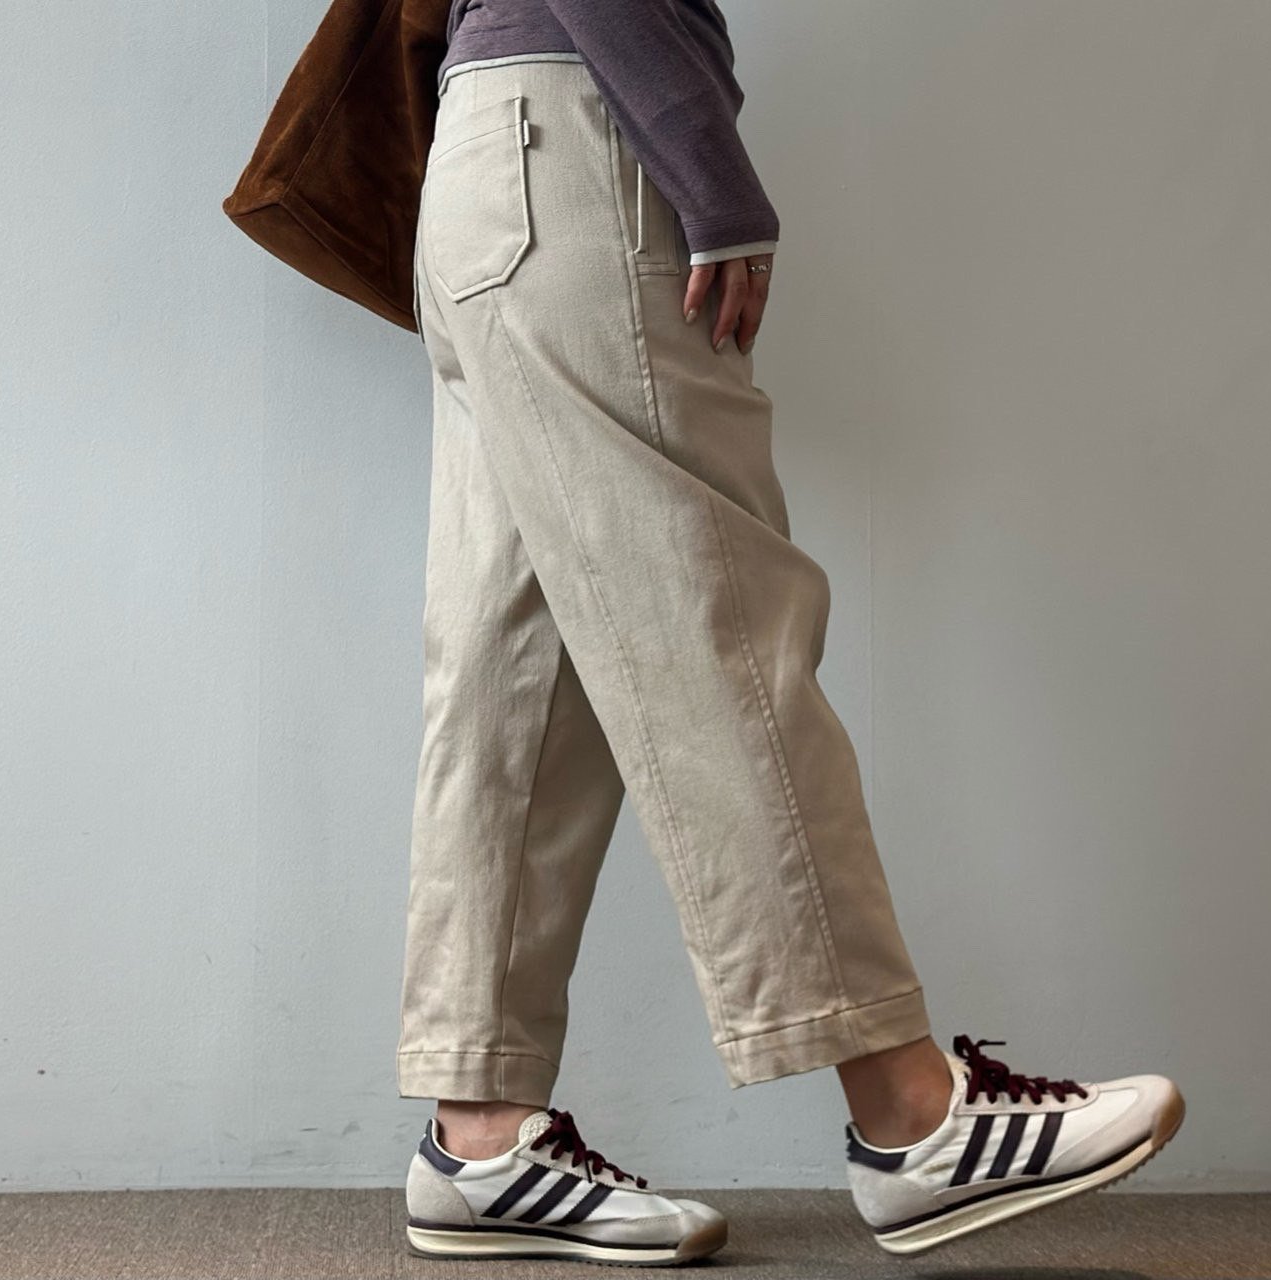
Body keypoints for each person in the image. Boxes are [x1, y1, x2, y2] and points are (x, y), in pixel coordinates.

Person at [396, 0, 1185, 1265]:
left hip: (485, 170)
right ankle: (909, 1113)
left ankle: (475, 1129)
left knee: (512, 671)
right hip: (577, 150)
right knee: (717, 626)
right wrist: (707, 171)